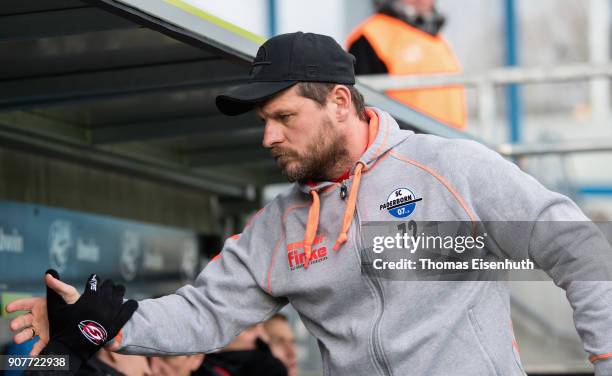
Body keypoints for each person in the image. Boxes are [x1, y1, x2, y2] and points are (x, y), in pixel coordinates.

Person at [6, 31, 612, 376]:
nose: (268, 136)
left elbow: (575, 246)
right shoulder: (280, 226)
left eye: (284, 117)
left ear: (341, 103)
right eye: (263, 122)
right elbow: (201, 314)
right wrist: (93, 317)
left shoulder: (450, 168)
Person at [347, 0, 467, 129]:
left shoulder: (436, 39)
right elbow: (365, 108)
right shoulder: (370, 37)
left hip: (450, 139)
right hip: (406, 143)